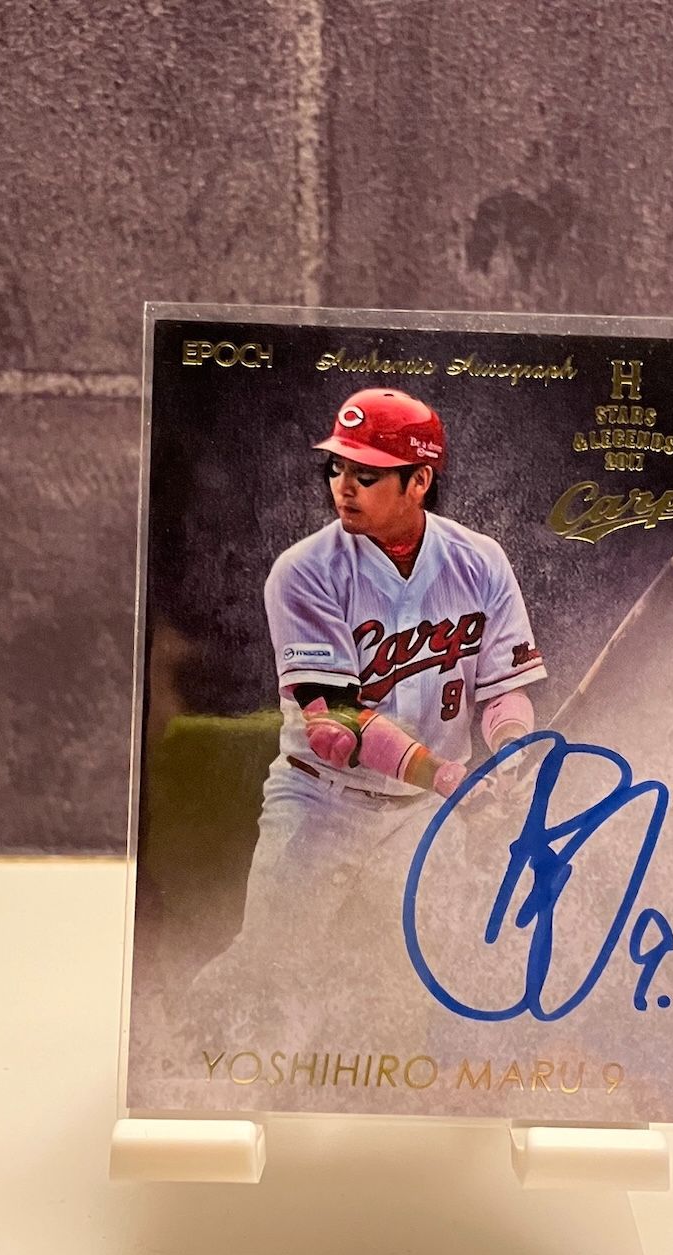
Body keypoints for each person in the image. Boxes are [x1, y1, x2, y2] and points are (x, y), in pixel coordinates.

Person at [232, 387, 548, 951]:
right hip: (321, 803)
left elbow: (503, 690)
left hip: (424, 816)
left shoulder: (480, 561)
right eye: (337, 467)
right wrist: (449, 778)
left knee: (405, 980)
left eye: (367, 474)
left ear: (419, 480)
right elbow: (336, 722)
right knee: (267, 966)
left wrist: (513, 749)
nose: (343, 486)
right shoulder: (303, 571)